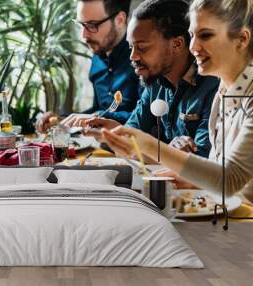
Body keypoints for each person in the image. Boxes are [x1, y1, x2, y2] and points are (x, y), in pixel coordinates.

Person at [101, 0, 253, 203]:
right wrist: (193, 180)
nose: (193, 47)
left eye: (205, 35)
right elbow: (220, 173)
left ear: (242, 40)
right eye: (192, 35)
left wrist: (147, 144)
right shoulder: (223, 91)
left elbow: (232, 180)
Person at [81, 0, 219, 158]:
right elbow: (135, 133)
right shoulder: (155, 83)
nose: (133, 56)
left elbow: (204, 161)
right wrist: (117, 133)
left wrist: (164, 151)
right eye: (131, 47)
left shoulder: (213, 86)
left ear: (177, 44)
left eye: (142, 47)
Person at [36, 0, 142, 132]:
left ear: (120, 20)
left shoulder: (141, 59)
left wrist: (96, 117)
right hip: (102, 148)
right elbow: (99, 110)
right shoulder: (97, 56)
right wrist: (62, 119)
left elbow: (144, 117)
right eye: (81, 25)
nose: (83, 36)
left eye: (92, 25)